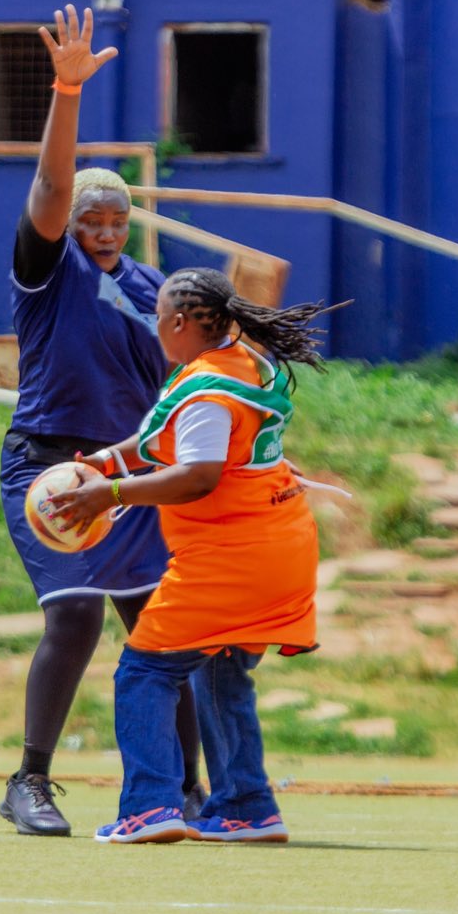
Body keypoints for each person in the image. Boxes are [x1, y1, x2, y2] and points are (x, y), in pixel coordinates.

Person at [0, 5, 203, 837]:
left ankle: (186, 789)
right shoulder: (49, 271)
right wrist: (67, 91)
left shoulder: (160, 292)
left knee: (165, 630)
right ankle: (30, 781)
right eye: (92, 218)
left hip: (129, 474)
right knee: (77, 614)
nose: (106, 229)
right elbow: (50, 187)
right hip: (49, 463)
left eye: (118, 217)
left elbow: (199, 384)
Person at [49, 267, 335, 844]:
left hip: (232, 556)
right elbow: (174, 440)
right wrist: (109, 461)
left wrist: (111, 493)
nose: (155, 327)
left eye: (156, 318)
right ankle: (246, 808)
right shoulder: (245, 364)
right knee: (221, 672)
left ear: (179, 321)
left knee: (145, 670)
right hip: (283, 545)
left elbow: (198, 474)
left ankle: (150, 808)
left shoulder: (205, 389)